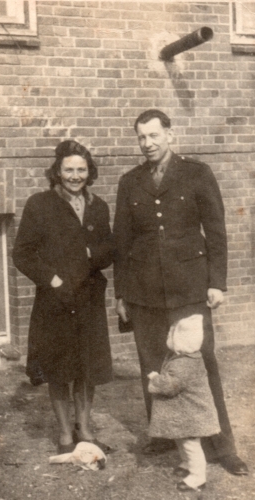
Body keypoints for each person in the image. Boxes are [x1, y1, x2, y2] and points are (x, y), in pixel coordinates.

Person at [113, 108, 248, 475]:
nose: (148, 143)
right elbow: (121, 243)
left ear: (170, 134)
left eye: (154, 135)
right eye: (141, 137)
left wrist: (217, 282)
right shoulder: (130, 181)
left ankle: (222, 446)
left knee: (202, 366)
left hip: (190, 289)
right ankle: (163, 434)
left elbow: (216, 231)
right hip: (144, 292)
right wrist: (121, 295)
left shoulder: (197, 173)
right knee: (152, 366)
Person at [13, 140, 114, 454]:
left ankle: (84, 429)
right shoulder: (39, 204)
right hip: (55, 301)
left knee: (87, 368)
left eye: (81, 169)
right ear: (57, 171)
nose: (75, 176)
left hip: (89, 300)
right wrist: (53, 280)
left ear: (89, 171)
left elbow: (109, 250)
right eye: (68, 169)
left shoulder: (98, 206)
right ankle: (65, 437)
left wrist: (90, 253)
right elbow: (23, 254)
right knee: (60, 369)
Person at [148, 313, 220, 492]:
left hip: (192, 414)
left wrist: (155, 379)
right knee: (182, 439)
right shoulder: (186, 358)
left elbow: (170, 386)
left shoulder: (183, 364)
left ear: (180, 342)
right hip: (185, 413)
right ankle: (188, 464)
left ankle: (198, 476)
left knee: (190, 444)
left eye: (171, 336)